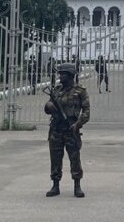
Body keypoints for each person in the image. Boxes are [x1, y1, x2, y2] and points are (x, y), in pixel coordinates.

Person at [44, 63, 90, 198]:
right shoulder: (57, 90)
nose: (61, 76)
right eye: (60, 73)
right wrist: (49, 106)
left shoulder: (80, 91)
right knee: (55, 158)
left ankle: (77, 185)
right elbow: (47, 107)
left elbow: (86, 111)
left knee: (74, 158)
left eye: (64, 74)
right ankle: (55, 185)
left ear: (71, 75)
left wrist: (78, 124)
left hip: (71, 128)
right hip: (56, 129)